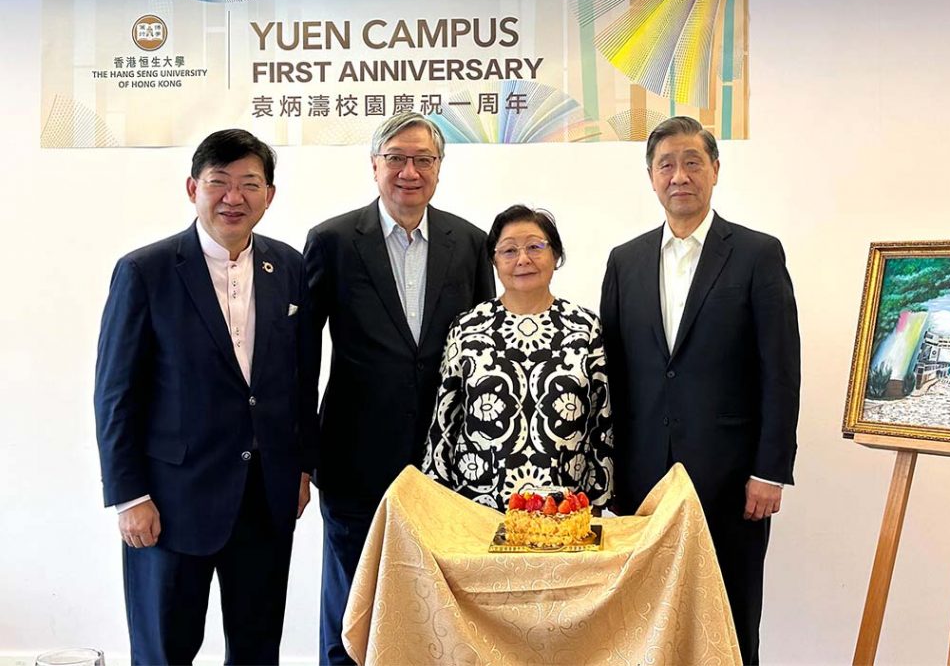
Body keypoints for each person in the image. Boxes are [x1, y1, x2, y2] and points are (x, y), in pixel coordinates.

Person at [94, 129, 316, 665]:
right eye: (219, 183)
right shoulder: (144, 271)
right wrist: (129, 496)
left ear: (270, 194)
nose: (233, 198)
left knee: (258, 647)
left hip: (265, 496)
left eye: (249, 184)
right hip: (171, 502)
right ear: (193, 188)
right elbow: (116, 392)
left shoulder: (287, 267)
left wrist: (302, 467)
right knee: (164, 650)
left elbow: (300, 377)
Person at [599, 116, 800, 665]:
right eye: (666, 164)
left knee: (730, 617)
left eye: (692, 162)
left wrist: (770, 470)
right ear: (651, 177)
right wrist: (612, 474)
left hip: (733, 479)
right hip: (645, 479)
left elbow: (780, 370)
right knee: (647, 618)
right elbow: (613, 373)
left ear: (715, 170)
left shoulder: (758, 254)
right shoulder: (625, 260)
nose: (679, 175)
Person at [303, 112, 494, 664]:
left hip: (449, 460)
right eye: (396, 159)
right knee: (350, 604)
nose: (409, 172)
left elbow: (485, 350)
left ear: (439, 169)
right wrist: (302, 454)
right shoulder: (334, 241)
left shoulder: (471, 242)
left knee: (439, 603)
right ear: (374, 166)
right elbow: (300, 356)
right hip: (353, 455)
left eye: (423, 160)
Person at [423, 205, 614, 511]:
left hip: (563, 506)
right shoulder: (468, 327)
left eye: (535, 247)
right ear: (494, 261)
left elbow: (600, 419)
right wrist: (437, 499)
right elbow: (445, 420)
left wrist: (600, 497)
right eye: (509, 250)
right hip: (479, 504)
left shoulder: (585, 327)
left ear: (556, 255)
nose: (523, 259)